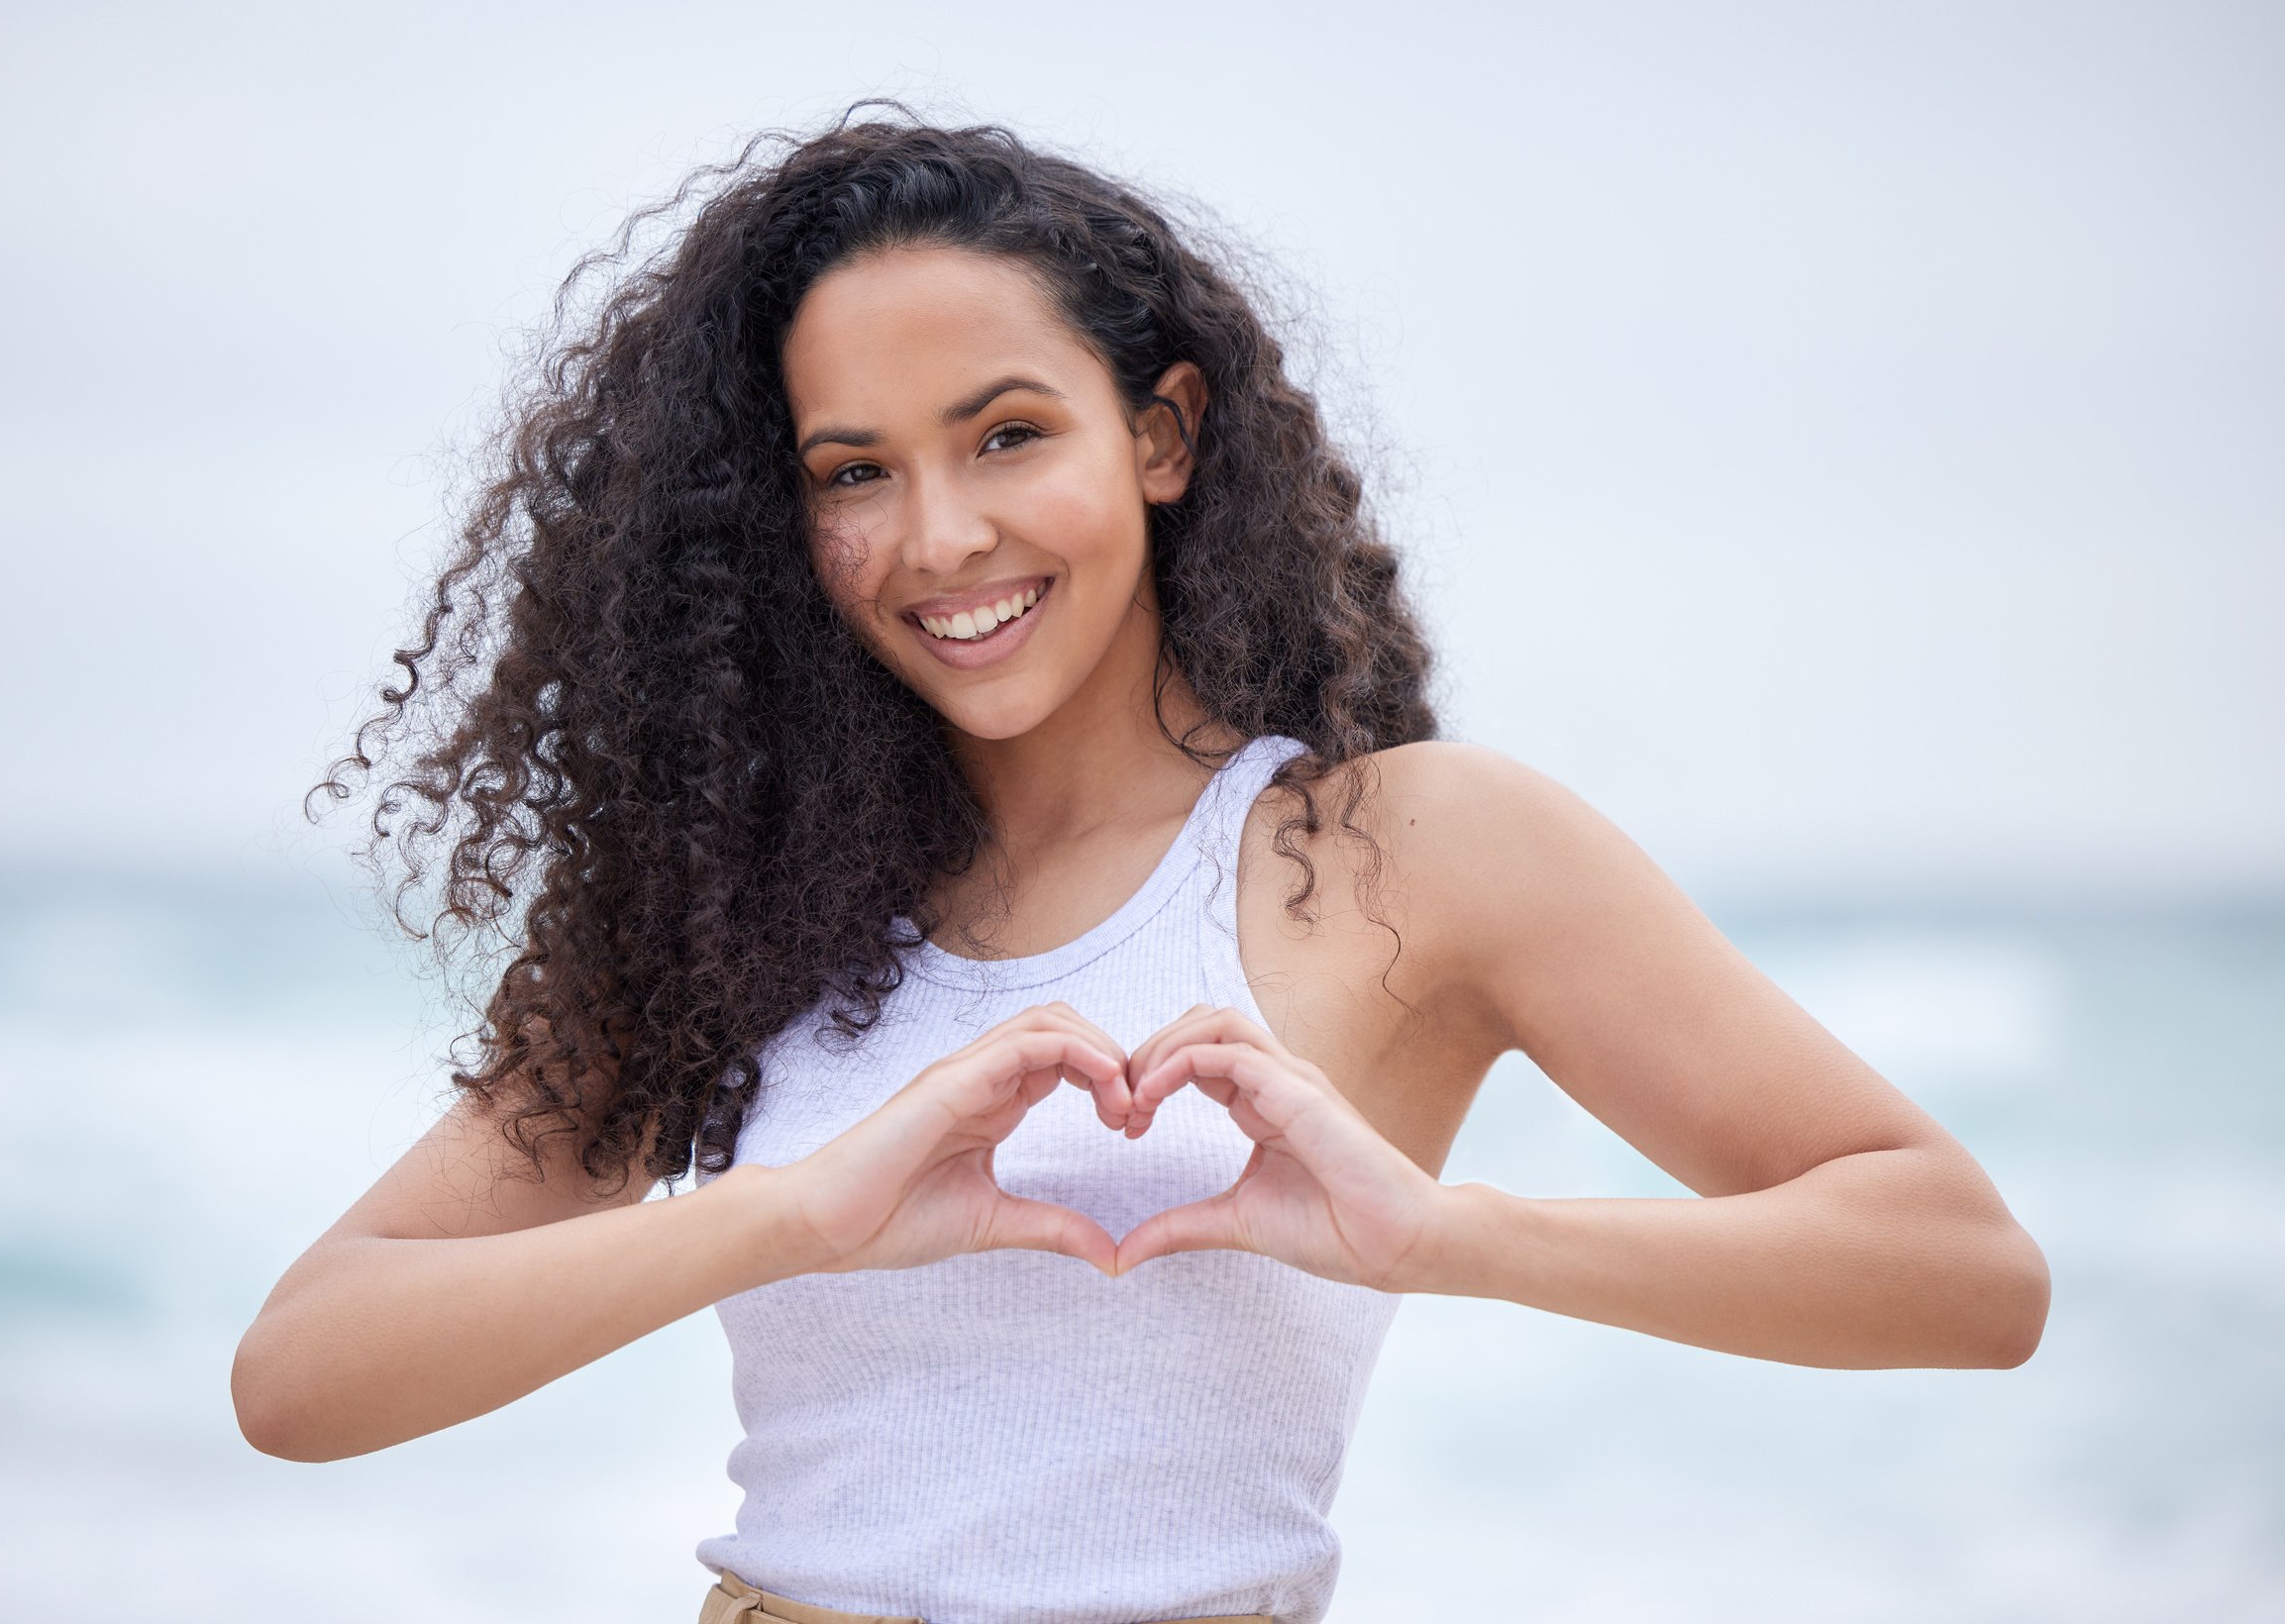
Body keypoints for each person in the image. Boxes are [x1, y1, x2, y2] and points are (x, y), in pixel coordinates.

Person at [231, 107, 2051, 1624]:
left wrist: (1447, 1239)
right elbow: (305, 1373)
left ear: (1161, 432)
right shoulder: (745, 893)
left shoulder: (1403, 852)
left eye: (1007, 434)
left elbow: (1962, 1271)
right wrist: (797, 1211)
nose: (937, 538)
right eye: (849, 471)